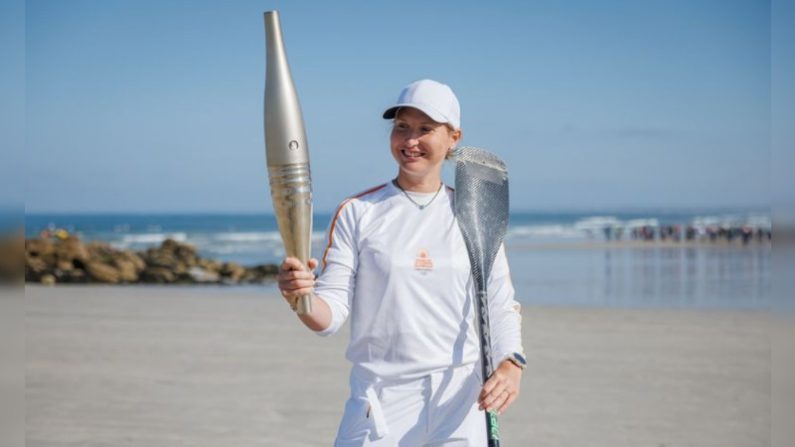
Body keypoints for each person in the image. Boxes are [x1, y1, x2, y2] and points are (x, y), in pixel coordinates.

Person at [277, 79, 525, 446]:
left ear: (453, 137)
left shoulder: (474, 213)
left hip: (459, 401)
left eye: (425, 129)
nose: (410, 141)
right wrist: (301, 297)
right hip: (380, 401)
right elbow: (327, 319)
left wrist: (511, 363)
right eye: (401, 128)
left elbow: (499, 301)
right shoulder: (359, 212)